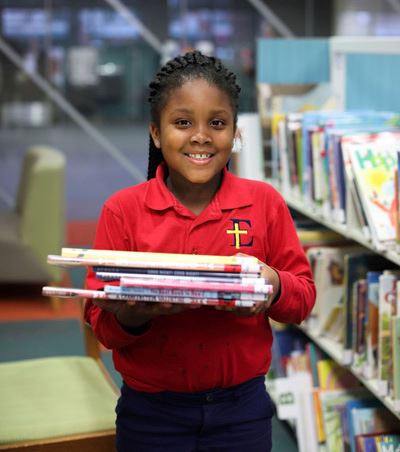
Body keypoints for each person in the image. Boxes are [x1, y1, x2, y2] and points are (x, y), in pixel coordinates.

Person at [85, 50, 316, 452]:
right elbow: (100, 325)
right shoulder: (122, 211)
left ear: (235, 131)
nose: (200, 136)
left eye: (217, 123)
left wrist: (273, 284)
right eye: (182, 122)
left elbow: (303, 299)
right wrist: (132, 314)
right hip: (151, 413)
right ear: (156, 132)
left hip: (241, 410)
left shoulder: (264, 202)